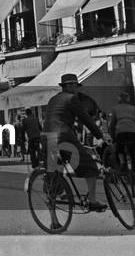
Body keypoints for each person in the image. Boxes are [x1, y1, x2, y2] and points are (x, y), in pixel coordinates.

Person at [44, 74, 107, 212]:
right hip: (63, 137)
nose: (76, 89)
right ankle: (92, 201)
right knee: (91, 167)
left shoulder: (53, 99)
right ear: (67, 87)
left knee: (55, 173)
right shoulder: (72, 98)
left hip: (49, 138)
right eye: (74, 86)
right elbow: (85, 118)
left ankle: (54, 218)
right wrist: (100, 136)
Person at [109, 91, 135, 192]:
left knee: (119, 150)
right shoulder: (134, 109)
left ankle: (122, 162)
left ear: (119, 100)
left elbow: (112, 125)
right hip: (133, 133)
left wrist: (113, 137)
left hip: (121, 133)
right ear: (128, 100)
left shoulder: (115, 109)